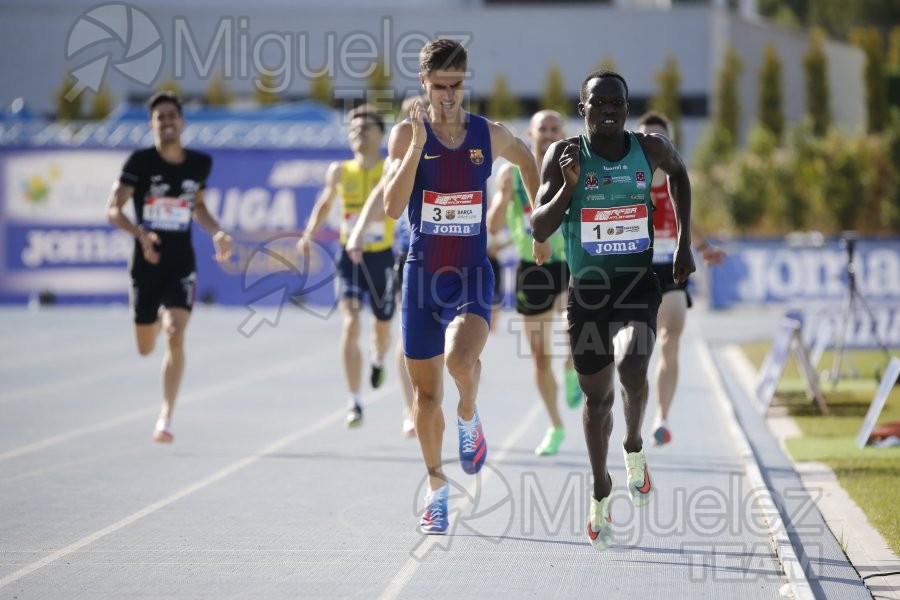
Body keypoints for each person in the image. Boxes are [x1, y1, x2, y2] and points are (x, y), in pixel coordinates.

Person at [382, 39, 544, 535]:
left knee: (459, 361)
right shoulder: (404, 135)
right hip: (422, 278)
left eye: (456, 86)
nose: (449, 95)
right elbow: (391, 208)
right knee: (426, 400)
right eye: (439, 87)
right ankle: (437, 492)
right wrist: (414, 148)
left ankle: (470, 417)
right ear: (424, 84)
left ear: (464, 83)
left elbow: (528, 160)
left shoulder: (487, 135)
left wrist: (538, 218)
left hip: (472, 274)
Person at [532, 71, 695, 551]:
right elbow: (540, 227)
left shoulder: (650, 148)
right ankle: (600, 486)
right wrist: (567, 187)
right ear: (581, 108)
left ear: (626, 107)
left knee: (634, 364)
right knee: (597, 399)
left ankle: (633, 446)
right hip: (588, 294)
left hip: (637, 285)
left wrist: (684, 242)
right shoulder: (563, 155)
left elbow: (681, 174)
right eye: (597, 102)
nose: (607, 110)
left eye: (616, 102)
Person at [105, 91, 233, 443]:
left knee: (176, 331)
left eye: (171, 115)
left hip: (180, 261)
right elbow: (113, 209)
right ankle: (155, 318)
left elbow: (199, 207)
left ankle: (165, 418)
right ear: (151, 125)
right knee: (146, 346)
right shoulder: (139, 162)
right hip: (146, 262)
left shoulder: (199, 164)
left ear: (182, 122)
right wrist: (140, 233)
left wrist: (217, 232)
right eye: (159, 117)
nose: (167, 122)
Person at [487, 110, 581, 457]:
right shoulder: (512, 172)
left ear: (563, 132)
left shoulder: (572, 167)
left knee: (571, 322)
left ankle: (572, 367)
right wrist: (501, 195)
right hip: (532, 266)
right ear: (531, 132)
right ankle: (555, 425)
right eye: (543, 128)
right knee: (540, 358)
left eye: (555, 128)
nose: (549, 133)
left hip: (569, 260)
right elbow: (494, 226)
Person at [297, 104, 396, 428]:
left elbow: (393, 208)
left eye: (366, 128)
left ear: (381, 134)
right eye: (353, 128)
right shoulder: (339, 171)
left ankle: (378, 358)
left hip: (382, 258)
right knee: (350, 323)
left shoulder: (390, 168)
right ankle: (355, 402)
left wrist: (369, 223)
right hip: (348, 257)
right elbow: (325, 204)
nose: (358, 133)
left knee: (382, 328)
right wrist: (309, 235)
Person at [635, 111, 725, 446]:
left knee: (670, 341)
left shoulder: (676, 177)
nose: (654, 144)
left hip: (671, 269)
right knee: (635, 350)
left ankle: (662, 417)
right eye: (647, 138)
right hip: (637, 270)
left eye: (660, 139)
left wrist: (703, 248)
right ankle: (633, 415)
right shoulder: (630, 176)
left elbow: (685, 220)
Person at [345, 96, 425, 438]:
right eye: (410, 119)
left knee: (453, 343)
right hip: (410, 256)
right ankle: (410, 410)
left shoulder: (460, 150)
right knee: (406, 336)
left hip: (456, 259)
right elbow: (379, 197)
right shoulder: (399, 159)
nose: (416, 124)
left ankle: (464, 405)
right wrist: (359, 233)